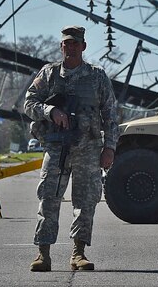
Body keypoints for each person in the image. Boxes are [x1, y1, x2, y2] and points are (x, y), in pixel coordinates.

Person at [24, 25, 118, 272]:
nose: (71, 47)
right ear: (61, 46)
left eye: (76, 43)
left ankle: (78, 253)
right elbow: (29, 102)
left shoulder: (97, 76)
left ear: (83, 46)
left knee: (86, 200)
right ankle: (43, 253)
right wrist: (50, 111)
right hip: (57, 147)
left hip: (88, 147)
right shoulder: (49, 74)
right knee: (49, 198)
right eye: (67, 43)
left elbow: (110, 115)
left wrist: (109, 148)